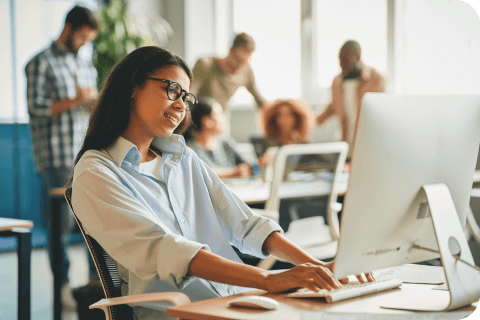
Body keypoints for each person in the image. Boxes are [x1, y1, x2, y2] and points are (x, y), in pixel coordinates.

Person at [69, 46, 374, 319]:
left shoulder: (181, 158)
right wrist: (267, 280)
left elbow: (245, 224)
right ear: (133, 87)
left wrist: (319, 269)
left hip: (233, 301)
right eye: (173, 90)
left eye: (186, 98)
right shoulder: (95, 173)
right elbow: (165, 249)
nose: (181, 106)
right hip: (177, 312)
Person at [25, 5, 100, 310]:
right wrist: (78, 100)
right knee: (61, 226)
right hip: (55, 156)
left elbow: (86, 107)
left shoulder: (85, 65)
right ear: (69, 27)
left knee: (94, 221)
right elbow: (37, 108)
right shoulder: (39, 63)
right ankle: (63, 288)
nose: (83, 42)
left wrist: (93, 104)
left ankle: (97, 285)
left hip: (83, 155)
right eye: (81, 35)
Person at [316, 40, 386, 160]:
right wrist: (309, 122)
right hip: (345, 148)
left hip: (368, 150)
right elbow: (334, 106)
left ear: (357, 57)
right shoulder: (337, 82)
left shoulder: (375, 79)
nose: (341, 64)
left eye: (345, 59)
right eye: (340, 60)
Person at [190, 32, 266, 135]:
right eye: (238, 60)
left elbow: (259, 100)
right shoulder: (205, 64)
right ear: (230, 51)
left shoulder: (246, 72)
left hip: (221, 122)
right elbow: (189, 94)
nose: (239, 66)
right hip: (198, 123)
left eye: (245, 61)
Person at [184, 98, 255, 179]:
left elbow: (249, 163)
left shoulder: (226, 144)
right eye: (220, 114)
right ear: (207, 121)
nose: (224, 118)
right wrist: (232, 173)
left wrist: (260, 163)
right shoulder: (189, 150)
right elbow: (198, 174)